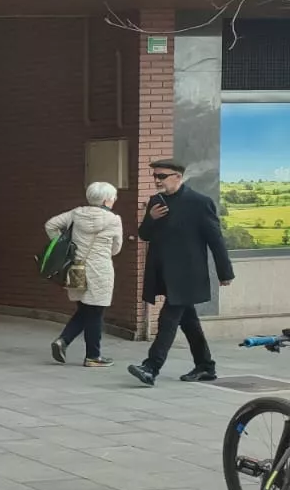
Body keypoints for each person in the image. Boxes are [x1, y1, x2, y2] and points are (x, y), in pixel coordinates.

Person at [129, 159, 234, 386]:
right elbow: (144, 234)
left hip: (188, 275)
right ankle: (205, 365)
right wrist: (151, 218)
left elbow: (215, 240)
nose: (157, 180)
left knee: (168, 320)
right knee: (189, 322)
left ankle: (151, 367)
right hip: (164, 273)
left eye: (162, 176)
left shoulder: (199, 203)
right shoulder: (155, 202)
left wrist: (225, 272)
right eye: (155, 176)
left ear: (177, 176)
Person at [46, 182, 124, 368]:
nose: (114, 200)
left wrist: (63, 245)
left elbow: (50, 225)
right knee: (95, 312)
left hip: (76, 269)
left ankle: (63, 341)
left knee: (85, 309)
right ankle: (93, 356)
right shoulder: (114, 220)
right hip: (100, 270)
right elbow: (116, 248)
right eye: (113, 197)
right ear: (106, 200)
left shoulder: (76, 213)